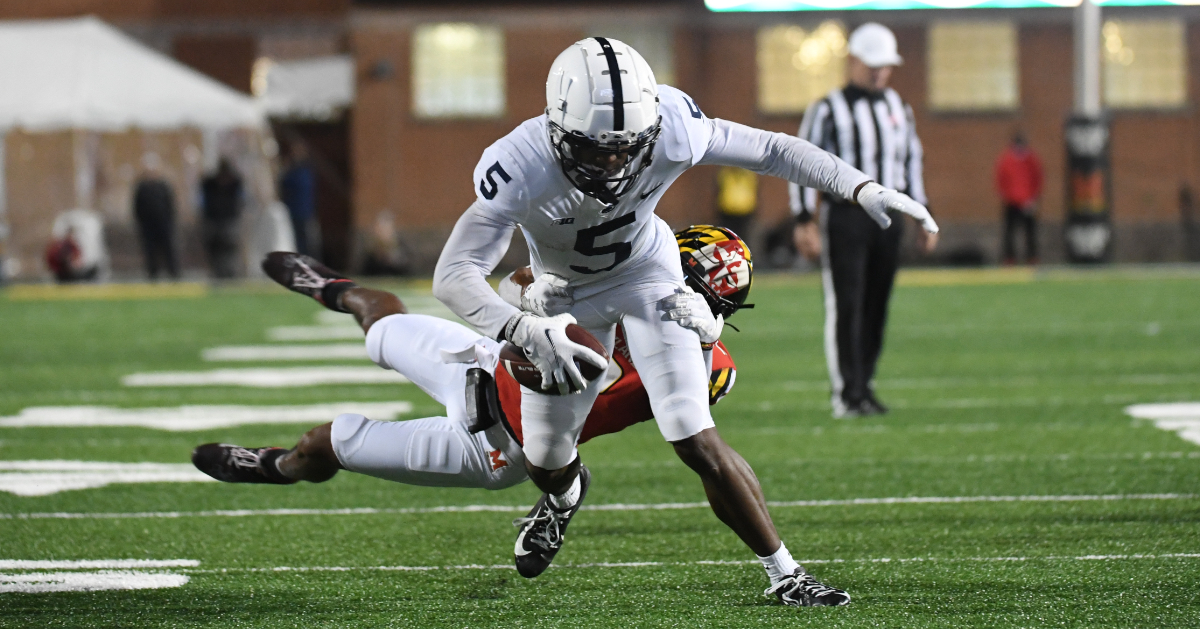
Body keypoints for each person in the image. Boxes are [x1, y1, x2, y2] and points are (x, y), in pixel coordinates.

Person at [424, 38, 934, 601]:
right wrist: (522, 328)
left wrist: (860, 186)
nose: (615, 163)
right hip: (564, 296)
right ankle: (564, 496)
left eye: (628, 148)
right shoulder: (518, 165)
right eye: (597, 151)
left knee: (692, 429)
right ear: (557, 130)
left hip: (649, 273)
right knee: (542, 455)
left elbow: (772, 149)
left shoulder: (674, 124)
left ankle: (785, 574)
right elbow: (454, 273)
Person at [194, 231, 835, 606]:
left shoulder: (700, 366)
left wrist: (785, 571)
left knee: (328, 443)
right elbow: (519, 282)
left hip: (497, 444)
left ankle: (278, 467)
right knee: (379, 323)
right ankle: (333, 287)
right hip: (481, 360)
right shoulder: (616, 266)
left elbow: (711, 459)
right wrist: (528, 294)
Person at [790, 23, 938, 419]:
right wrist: (804, 217)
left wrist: (922, 214)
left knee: (877, 303)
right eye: (872, 64)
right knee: (847, 303)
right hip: (846, 216)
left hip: (889, 217)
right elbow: (802, 163)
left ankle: (865, 385)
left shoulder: (898, 107)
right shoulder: (827, 108)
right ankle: (847, 393)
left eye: (885, 65)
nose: (879, 72)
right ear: (853, 60)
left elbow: (912, 162)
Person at [995, 132, 1043, 265]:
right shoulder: (1007, 159)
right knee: (1010, 232)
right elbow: (1002, 179)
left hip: (1028, 202)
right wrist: (1007, 196)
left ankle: (1032, 257)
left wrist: (1033, 198)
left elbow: (1037, 178)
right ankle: (1009, 258)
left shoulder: (1031, 159)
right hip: (1012, 202)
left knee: (1030, 232)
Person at [132, 154, 179, 280]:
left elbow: (170, 205)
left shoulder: (163, 186)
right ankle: (153, 274)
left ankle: (173, 273)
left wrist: (170, 221)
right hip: (147, 225)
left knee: (168, 249)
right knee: (150, 251)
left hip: (163, 223)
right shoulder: (141, 187)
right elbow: (137, 207)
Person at [201, 158, 244, 279]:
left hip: (228, 219)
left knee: (229, 248)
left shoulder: (235, 183)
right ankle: (219, 272)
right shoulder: (209, 183)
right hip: (215, 220)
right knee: (216, 248)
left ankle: (230, 272)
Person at [279, 141, 317, 257]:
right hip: (292, 212)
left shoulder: (306, 170)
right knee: (294, 241)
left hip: (305, 213)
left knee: (306, 242)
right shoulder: (291, 170)